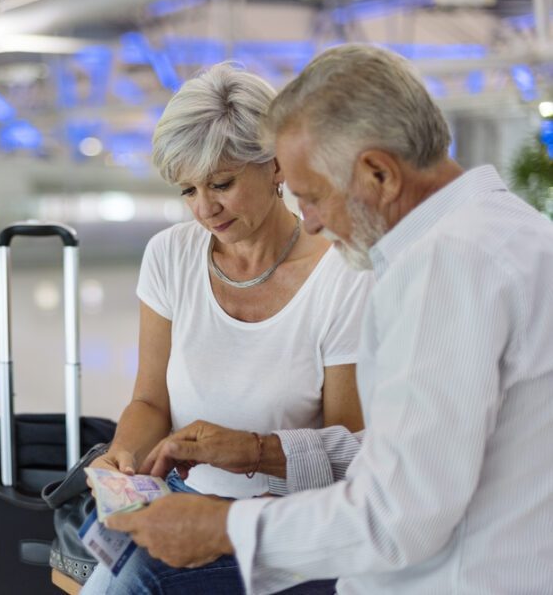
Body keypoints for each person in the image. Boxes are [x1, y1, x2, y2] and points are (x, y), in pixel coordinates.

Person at [106, 43, 553, 595]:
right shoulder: (513, 232)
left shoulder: (443, 270)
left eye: (313, 196)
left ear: (378, 173)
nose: (312, 223)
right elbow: (410, 452)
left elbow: (394, 516)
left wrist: (225, 528)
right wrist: (258, 451)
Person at [82, 62, 373, 594]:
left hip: (286, 521)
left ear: (276, 164)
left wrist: (248, 470)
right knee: (109, 569)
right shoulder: (170, 256)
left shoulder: (343, 276)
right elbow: (149, 401)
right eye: (187, 191)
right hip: (183, 499)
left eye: (221, 184)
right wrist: (125, 457)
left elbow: (348, 452)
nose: (204, 209)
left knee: (132, 583)